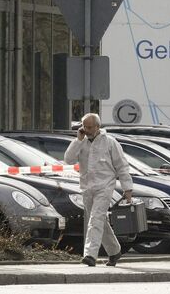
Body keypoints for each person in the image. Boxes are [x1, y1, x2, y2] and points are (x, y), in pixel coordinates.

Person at [64, 113, 133, 267]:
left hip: (105, 186)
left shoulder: (110, 142)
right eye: (84, 126)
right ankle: (114, 251)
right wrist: (77, 141)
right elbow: (68, 159)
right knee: (97, 220)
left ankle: (90, 255)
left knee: (95, 219)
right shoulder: (80, 142)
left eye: (89, 127)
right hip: (87, 187)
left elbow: (122, 166)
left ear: (97, 127)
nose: (86, 130)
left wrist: (127, 188)